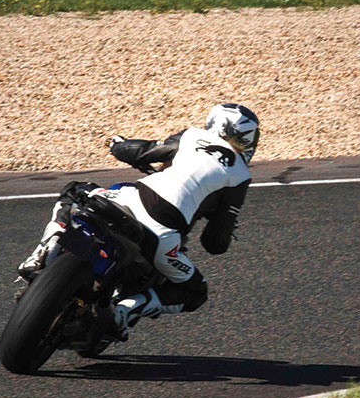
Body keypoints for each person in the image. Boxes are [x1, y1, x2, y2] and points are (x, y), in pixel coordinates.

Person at [17, 103, 259, 340]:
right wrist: (223, 223)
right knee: (196, 292)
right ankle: (127, 308)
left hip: (128, 200)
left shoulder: (191, 137)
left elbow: (142, 151)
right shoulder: (240, 175)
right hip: (162, 235)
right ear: (248, 139)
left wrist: (117, 144)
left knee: (74, 191)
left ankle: (45, 250)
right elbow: (214, 243)